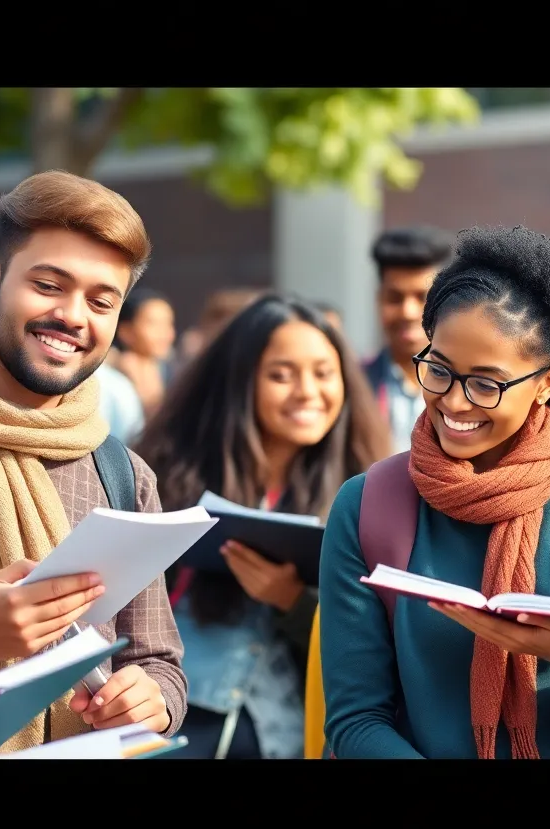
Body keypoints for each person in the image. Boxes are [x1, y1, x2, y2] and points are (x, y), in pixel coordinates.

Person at [318, 225, 550, 760]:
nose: (454, 402)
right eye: (439, 371)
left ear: (548, 382)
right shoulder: (366, 505)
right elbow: (356, 721)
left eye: (486, 384)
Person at [0, 170, 187, 757]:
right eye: (48, 284)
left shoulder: (123, 473)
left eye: (101, 301)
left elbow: (157, 659)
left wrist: (151, 702)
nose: (72, 316)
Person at [133, 293, 390, 758]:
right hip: (176, 720)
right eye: (280, 374)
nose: (307, 392)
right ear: (239, 382)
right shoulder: (164, 474)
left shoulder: (369, 494)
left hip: (291, 734)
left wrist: (291, 599)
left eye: (323, 373)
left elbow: (375, 647)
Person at [363, 226, 454, 455]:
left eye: (422, 297)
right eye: (395, 298)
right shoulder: (355, 384)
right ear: (378, 300)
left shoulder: (470, 387)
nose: (408, 312)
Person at [109, 285, 177, 418]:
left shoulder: (169, 371)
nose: (164, 333)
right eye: (153, 323)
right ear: (126, 331)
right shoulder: (112, 378)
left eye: (169, 323)